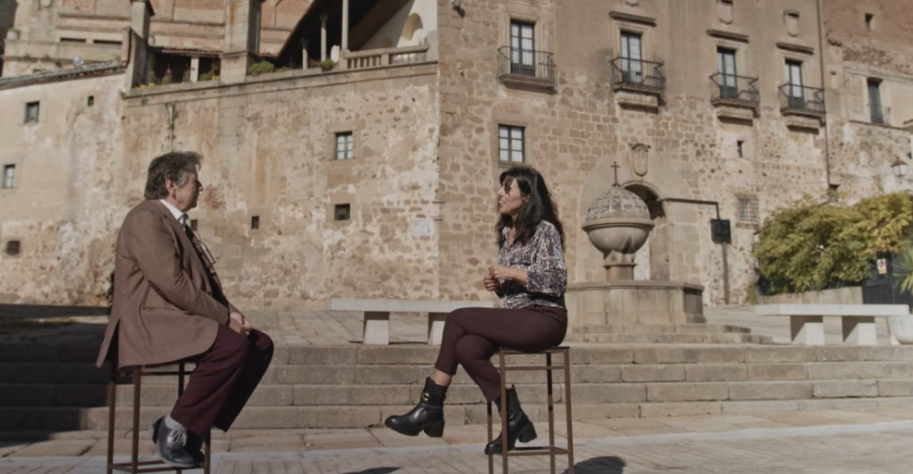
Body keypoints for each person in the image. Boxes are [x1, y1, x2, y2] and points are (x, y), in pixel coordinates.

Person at [95, 151, 274, 468]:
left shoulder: (176, 223)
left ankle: (189, 428)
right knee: (230, 347)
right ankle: (175, 427)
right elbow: (172, 282)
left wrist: (235, 314)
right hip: (147, 321)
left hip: (176, 317)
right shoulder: (145, 218)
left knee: (259, 345)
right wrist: (222, 318)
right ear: (170, 185)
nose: (201, 186)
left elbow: (204, 285)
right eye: (194, 180)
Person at [384, 166, 568, 455]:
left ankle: (431, 405)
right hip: (519, 317)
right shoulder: (508, 231)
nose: (499, 193)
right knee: (467, 347)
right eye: (501, 188)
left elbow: (556, 283)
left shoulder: (545, 230)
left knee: (458, 317)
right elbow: (513, 291)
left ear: (528, 196)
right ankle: (514, 416)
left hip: (545, 318)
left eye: (507, 188)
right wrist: (498, 284)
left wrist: (514, 272)